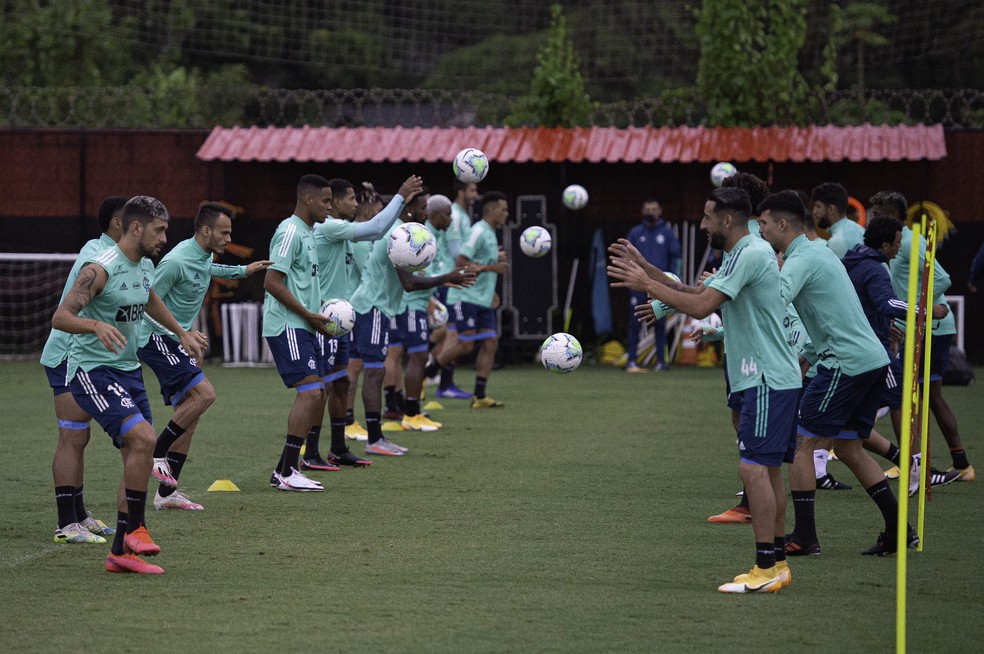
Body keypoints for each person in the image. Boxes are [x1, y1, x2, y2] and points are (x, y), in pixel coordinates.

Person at [609, 186, 800, 593]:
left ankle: (766, 569)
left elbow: (700, 308)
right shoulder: (742, 253)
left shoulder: (749, 252)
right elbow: (698, 294)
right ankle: (778, 564)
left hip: (765, 377)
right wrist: (651, 270)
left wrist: (646, 282)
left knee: (753, 469)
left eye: (707, 217)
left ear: (727, 220)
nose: (701, 224)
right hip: (770, 377)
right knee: (767, 471)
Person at [52, 195, 207, 574]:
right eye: (160, 229)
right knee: (143, 440)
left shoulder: (144, 266)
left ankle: (121, 552)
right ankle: (135, 528)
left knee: (136, 454)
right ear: (135, 227)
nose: (165, 237)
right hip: (92, 371)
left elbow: (150, 299)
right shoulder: (99, 268)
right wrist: (95, 324)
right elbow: (60, 316)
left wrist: (180, 332)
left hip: (128, 371)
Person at [756, 190, 915, 557]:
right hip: (870, 359)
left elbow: (774, 299)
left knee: (801, 440)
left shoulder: (801, 257)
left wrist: (733, 285)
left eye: (763, 224)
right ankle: (899, 530)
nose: (760, 231)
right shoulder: (816, 252)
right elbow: (826, 316)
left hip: (847, 362)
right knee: (848, 447)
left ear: (782, 225)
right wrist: (807, 358)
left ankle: (805, 537)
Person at [137, 202, 272, 509]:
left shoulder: (204, 254)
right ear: (206, 230)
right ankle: (155, 453)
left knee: (191, 413)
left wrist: (243, 270)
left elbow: (208, 268)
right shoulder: (175, 262)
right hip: (155, 338)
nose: (228, 239)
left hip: (176, 340)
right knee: (205, 395)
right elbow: (144, 304)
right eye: (224, 233)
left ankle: (167, 495)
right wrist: (180, 334)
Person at [308, 176, 422, 470]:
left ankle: (338, 448)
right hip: (327, 317)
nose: (356, 204)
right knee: (320, 388)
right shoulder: (329, 227)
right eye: (351, 199)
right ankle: (309, 453)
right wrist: (400, 196)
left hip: (342, 317)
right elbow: (374, 228)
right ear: (333, 203)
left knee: (342, 382)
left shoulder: (342, 233)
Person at [349, 191, 475, 455]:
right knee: (372, 371)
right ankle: (374, 438)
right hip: (372, 307)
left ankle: (373, 435)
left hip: (379, 308)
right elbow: (409, 284)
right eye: (421, 208)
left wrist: (443, 278)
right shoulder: (399, 235)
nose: (424, 213)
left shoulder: (402, 229)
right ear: (409, 208)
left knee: (376, 370)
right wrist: (445, 278)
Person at [841, 216, 958, 494]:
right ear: (884, 243)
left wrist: (886, 326)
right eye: (897, 241)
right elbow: (886, 302)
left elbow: (867, 305)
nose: (899, 246)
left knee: (850, 429)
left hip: (858, 346)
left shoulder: (854, 262)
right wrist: (926, 311)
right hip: (873, 352)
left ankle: (905, 462)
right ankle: (917, 468)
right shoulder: (874, 268)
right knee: (903, 401)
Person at [870, 190, 975, 482]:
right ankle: (960, 462)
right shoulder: (903, 242)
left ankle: (915, 464)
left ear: (891, 216)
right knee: (927, 397)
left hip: (929, 328)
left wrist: (921, 311)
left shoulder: (907, 243)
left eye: (877, 215)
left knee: (911, 397)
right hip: (924, 326)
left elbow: (941, 278)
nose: (872, 220)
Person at [40, 195, 126, 544]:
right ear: (118, 223)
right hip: (67, 354)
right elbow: (68, 312)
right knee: (72, 436)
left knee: (81, 436)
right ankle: (66, 523)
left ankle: (79, 516)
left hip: (85, 356)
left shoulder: (116, 257)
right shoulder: (98, 255)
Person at [262, 175, 334, 492]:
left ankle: (284, 469)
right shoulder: (290, 231)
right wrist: (307, 314)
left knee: (319, 393)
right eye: (326, 201)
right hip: (288, 324)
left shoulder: (308, 233)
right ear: (308, 199)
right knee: (311, 393)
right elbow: (272, 282)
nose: (329, 207)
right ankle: (290, 470)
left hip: (303, 324)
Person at [423, 191, 510, 408]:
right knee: (464, 345)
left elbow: (479, 264)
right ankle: (426, 373)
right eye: (504, 210)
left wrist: (491, 289)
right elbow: (461, 262)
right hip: (465, 296)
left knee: (491, 342)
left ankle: (479, 396)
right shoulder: (478, 231)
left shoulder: (490, 233)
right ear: (491, 211)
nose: (507, 214)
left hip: (482, 298)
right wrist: (493, 268)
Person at [399, 194, 457, 431]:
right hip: (412, 303)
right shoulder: (419, 235)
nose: (452, 218)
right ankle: (409, 412)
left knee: (418, 354)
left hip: (419, 301)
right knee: (416, 355)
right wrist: (441, 286)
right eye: (423, 208)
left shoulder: (431, 234)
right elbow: (416, 277)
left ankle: (409, 408)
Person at [433, 179, 480, 399]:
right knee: (452, 335)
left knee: (447, 334)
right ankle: (439, 379)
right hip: (449, 280)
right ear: (460, 191)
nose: (476, 194)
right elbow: (456, 253)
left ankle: (442, 380)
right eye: (472, 190)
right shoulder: (456, 216)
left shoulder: (461, 215)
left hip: (451, 279)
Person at [623, 199, 681, 373]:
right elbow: (626, 257)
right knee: (634, 322)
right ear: (642, 211)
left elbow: (676, 257)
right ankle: (631, 361)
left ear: (660, 211)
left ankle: (661, 362)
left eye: (654, 209)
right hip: (638, 285)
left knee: (660, 323)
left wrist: (672, 283)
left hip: (659, 287)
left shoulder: (668, 233)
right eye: (647, 209)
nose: (650, 212)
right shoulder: (635, 233)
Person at [345, 183, 384, 442]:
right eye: (380, 214)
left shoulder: (357, 236)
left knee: (354, 367)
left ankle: (348, 420)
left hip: (353, 307)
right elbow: (369, 275)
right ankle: (349, 421)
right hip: (361, 308)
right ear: (370, 216)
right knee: (358, 369)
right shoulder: (361, 242)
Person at [812, 182, 864, 258]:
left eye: (818, 206)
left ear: (831, 209)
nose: (814, 211)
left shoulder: (837, 242)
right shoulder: (861, 230)